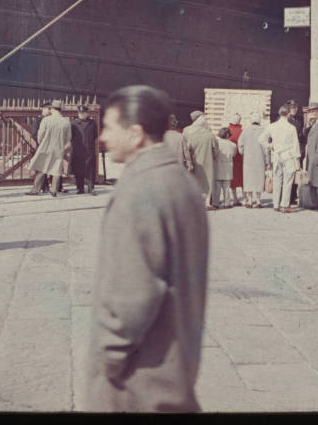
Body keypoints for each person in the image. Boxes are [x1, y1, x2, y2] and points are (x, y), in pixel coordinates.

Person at [85, 85, 208, 412]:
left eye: (110, 127)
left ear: (136, 133)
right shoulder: (183, 184)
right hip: (174, 371)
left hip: (136, 383)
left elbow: (134, 295)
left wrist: (108, 361)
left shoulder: (138, 191)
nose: (103, 137)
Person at [259, 105, 300, 213]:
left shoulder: (272, 126)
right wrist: (297, 161)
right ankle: (285, 205)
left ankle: (276, 204)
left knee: (277, 181)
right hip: (288, 156)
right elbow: (296, 146)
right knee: (288, 181)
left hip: (276, 156)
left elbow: (261, 139)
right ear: (288, 114)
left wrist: (269, 145)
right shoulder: (291, 128)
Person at [26, 99, 71, 196]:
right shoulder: (66, 122)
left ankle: (35, 190)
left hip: (45, 147)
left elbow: (40, 135)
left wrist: (42, 142)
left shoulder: (46, 120)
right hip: (58, 148)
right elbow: (68, 138)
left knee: (41, 168)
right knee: (56, 169)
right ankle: (54, 190)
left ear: (53, 109)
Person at [182, 110, 218, 210]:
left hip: (193, 159)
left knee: (194, 179)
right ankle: (207, 202)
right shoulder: (208, 132)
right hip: (208, 159)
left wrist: (188, 159)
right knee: (209, 179)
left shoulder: (186, 130)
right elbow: (215, 148)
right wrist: (214, 156)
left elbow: (184, 147)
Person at [238, 111, 267, 208]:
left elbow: (240, 145)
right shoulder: (263, 131)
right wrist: (267, 160)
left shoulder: (245, 131)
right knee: (259, 179)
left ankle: (250, 201)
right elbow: (266, 147)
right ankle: (258, 201)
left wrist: (243, 153)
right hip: (260, 159)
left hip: (248, 159)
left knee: (248, 179)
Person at [70, 104, 99, 195]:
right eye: (80, 113)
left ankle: (91, 188)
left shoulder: (92, 123)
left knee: (90, 170)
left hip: (89, 150)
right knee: (79, 170)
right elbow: (71, 137)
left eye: (83, 113)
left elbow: (95, 135)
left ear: (87, 113)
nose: (81, 114)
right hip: (78, 151)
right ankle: (80, 188)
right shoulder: (73, 123)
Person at [286, 99, 305, 206]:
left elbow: (301, 134)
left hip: (297, 149)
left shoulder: (299, 119)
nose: (295, 109)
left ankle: (293, 196)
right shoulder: (285, 119)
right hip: (289, 150)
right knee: (288, 174)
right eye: (293, 108)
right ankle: (286, 197)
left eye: (296, 108)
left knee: (296, 174)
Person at [31, 101, 52, 193]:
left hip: (51, 146)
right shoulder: (38, 120)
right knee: (41, 167)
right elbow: (34, 134)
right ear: (44, 109)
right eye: (49, 109)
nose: (51, 110)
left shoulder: (52, 119)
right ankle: (44, 187)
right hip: (42, 146)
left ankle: (57, 186)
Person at [213, 127, 236, 208]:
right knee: (226, 188)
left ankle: (215, 203)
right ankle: (227, 203)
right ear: (227, 135)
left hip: (217, 167)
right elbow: (234, 155)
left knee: (217, 188)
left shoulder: (216, 143)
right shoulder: (233, 145)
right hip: (228, 167)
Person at [228, 113, 244, 206]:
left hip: (231, 157)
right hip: (241, 157)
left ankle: (235, 198)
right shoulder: (242, 131)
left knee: (232, 178)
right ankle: (245, 198)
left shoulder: (227, 130)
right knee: (242, 178)